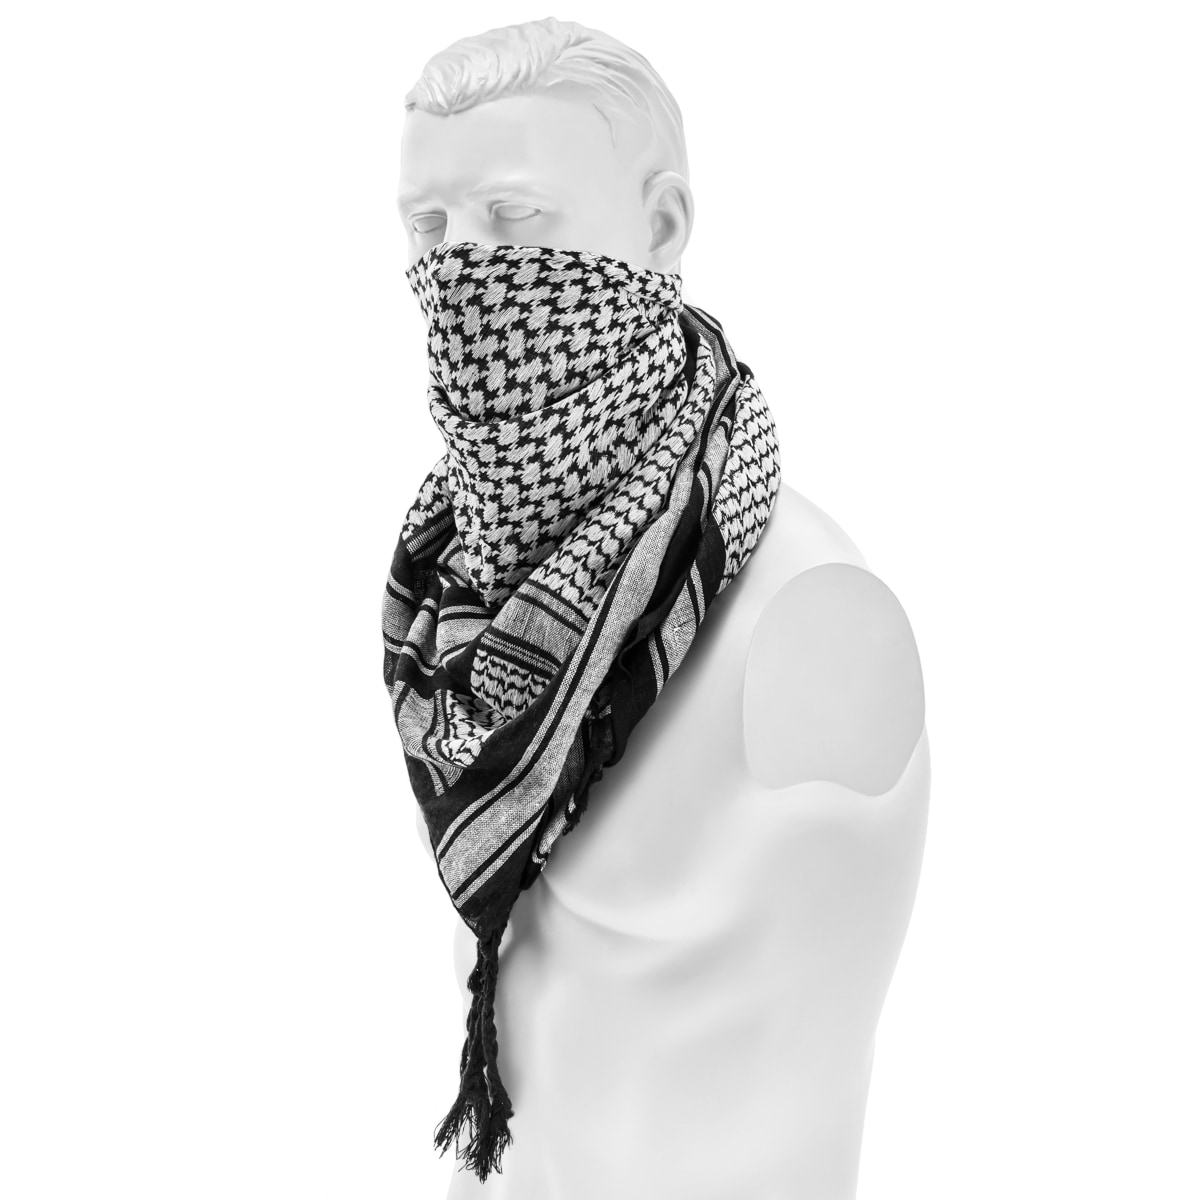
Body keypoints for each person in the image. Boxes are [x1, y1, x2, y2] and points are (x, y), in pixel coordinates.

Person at [390, 17, 929, 1197]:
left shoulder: (809, 615)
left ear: (664, 227)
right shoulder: (456, 587)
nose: (462, 272)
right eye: (429, 230)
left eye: (513, 218)